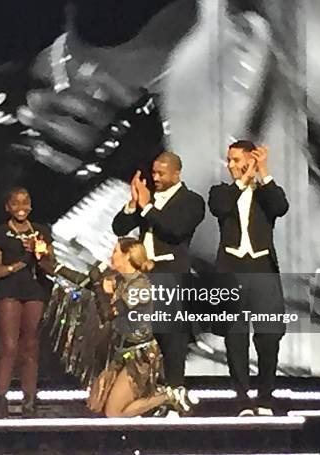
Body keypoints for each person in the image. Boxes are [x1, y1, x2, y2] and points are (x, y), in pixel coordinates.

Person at [112, 151, 205, 416]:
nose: (156, 177)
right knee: (145, 338)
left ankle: (175, 396)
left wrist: (148, 207)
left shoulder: (192, 201)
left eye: (161, 173)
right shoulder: (145, 201)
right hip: (144, 277)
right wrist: (133, 204)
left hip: (171, 276)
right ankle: (149, 400)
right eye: (154, 173)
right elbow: (119, 227)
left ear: (177, 173)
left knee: (172, 338)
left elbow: (174, 230)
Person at [208, 140, 289, 416]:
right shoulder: (222, 191)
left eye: (236, 160)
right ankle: (242, 399)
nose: (230, 165)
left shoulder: (265, 193)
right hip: (232, 271)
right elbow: (219, 208)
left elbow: (280, 207)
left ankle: (265, 397)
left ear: (250, 160)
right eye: (228, 160)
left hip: (262, 270)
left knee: (269, 336)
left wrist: (263, 171)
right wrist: (241, 181)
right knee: (235, 337)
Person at [84, 237, 177, 417]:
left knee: (114, 413)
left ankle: (168, 397)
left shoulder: (139, 286)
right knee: (96, 402)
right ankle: (159, 401)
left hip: (140, 356)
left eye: (115, 252)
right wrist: (54, 265)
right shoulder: (120, 280)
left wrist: (97, 284)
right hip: (122, 351)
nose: (111, 256)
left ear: (127, 256)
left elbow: (108, 315)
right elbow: (85, 282)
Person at [0, 187, 53, 418]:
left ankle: (30, 398)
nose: (21, 207)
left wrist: (39, 253)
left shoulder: (41, 232)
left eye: (25, 202)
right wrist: (13, 267)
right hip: (9, 291)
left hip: (35, 290)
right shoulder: (0, 233)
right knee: (10, 346)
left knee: (31, 345)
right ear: (8, 207)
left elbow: (51, 265)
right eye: (15, 203)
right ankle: (0, 397)